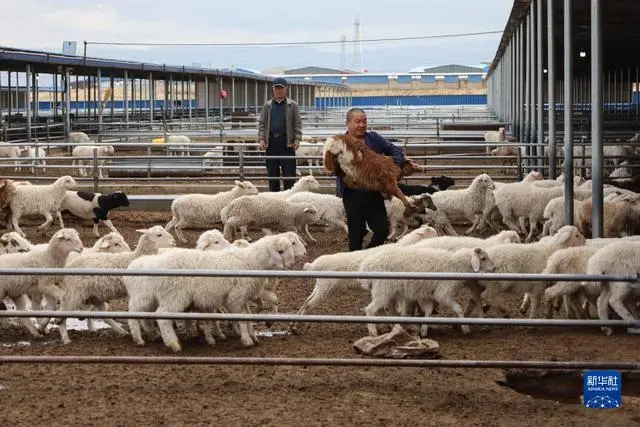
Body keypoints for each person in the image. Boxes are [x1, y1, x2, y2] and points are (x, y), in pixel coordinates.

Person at [335, 108, 420, 251]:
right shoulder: (340, 143)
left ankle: (367, 254)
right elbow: (333, 168)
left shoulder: (373, 138)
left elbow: (395, 150)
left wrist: (396, 169)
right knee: (356, 233)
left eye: (364, 121)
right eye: (358, 122)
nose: (362, 125)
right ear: (348, 123)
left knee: (382, 230)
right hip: (352, 194)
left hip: (374, 191)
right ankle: (354, 263)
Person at [258, 77, 303, 192]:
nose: (278, 91)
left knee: (289, 176)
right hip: (271, 144)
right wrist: (261, 139)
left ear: (285, 89)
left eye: (281, 88)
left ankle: (289, 201)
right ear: (273, 89)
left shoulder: (292, 105)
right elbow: (262, 124)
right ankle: (274, 201)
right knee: (273, 176)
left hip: (287, 144)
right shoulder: (267, 106)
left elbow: (298, 124)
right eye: (276, 88)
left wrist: (297, 140)